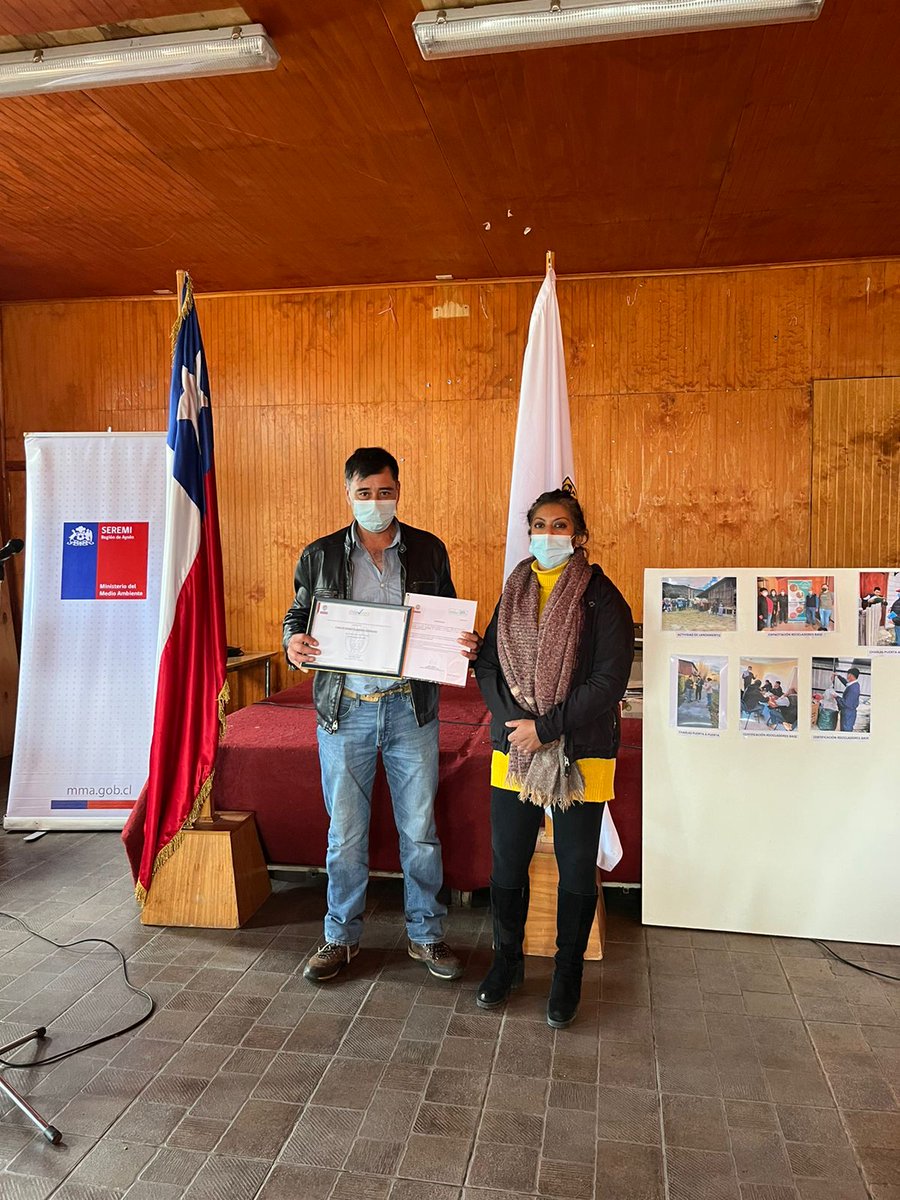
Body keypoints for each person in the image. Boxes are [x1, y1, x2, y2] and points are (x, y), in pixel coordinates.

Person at [283, 447, 479, 983]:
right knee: (345, 833)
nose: (375, 502)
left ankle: (426, 935)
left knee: (419, 829)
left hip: (408, 707)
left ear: (399, 490)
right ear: (348, 494)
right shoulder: (319, 554)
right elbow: (299, 613)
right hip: (346, 710)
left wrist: (463, 642)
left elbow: (447, 615)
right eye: (364, 493)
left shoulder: (428, 549)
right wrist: (291, 641)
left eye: (385, 492)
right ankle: (339, 938)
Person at [473, 490, 633, 1029]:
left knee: (574, 864)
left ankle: (567, 975)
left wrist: (546, 728)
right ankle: (506, 962)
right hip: (514, 749)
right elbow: (489, 665)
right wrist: (519, 727)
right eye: (539, 524)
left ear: (578, 535)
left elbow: (608, 682)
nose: (548, 534)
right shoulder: (513, 589)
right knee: (507, 859)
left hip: (581, 751)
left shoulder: (603, 598)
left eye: (559, 525)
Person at [835, 667, 861, 732]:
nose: (847, 676)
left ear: (850, 675)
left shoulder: (854, 689)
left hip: (848, 714)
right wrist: (838, 676)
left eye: (847, 674)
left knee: (846, 731)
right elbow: (846, 684)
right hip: (848, 712)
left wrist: (836, 697)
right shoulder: (854, 684)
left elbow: (847, 703)